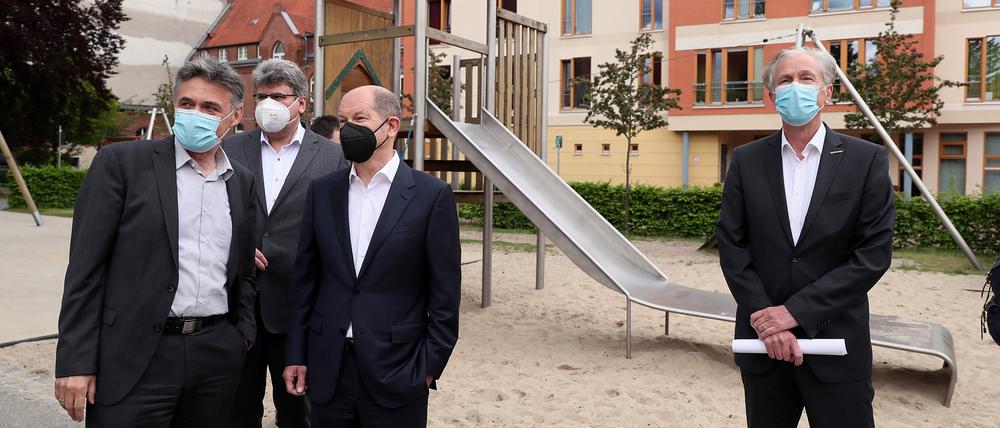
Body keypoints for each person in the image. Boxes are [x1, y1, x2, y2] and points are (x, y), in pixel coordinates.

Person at [54, 57, 257, 427]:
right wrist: (75, 361)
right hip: (133, 356)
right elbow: (86, 269)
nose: (196, 114)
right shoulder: (121, 163)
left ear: (235, 116)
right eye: (187, 104)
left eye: (210, 107)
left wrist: (241, 334)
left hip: (215, 356)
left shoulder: (240, 180)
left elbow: (243, 270)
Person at [716, 46, 894, 428]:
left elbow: (873, 255)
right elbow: (732, 245)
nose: (794, 86)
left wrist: (794, 314)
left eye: (806, 78)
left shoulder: (866, 160)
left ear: (827, 93)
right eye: (785, 80)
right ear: (771, 96)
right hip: (763, 346)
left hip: (837, 343)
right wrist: (768, 320)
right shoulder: (746, 161)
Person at [283, 85, 461, 427]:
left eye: (359, 118)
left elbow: (445, 296)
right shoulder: (323, 191)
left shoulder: (431, 196)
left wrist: (426, 369)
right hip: (327, 370)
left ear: (391, 126)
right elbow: (306, 280)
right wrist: (296, 354)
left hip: (398, 372)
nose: (347, 128)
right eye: (343, 120)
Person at [222, 58, 349, 428]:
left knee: (297, 413)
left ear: (302, 104)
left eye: (278, 96)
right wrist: (237, 246)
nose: (268, 105)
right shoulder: (230, 149)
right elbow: (208, 213)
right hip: (237, 308)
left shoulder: (333, 157)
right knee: (237, 410)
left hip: (298, 312)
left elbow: (343, 231)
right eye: (261, 96)